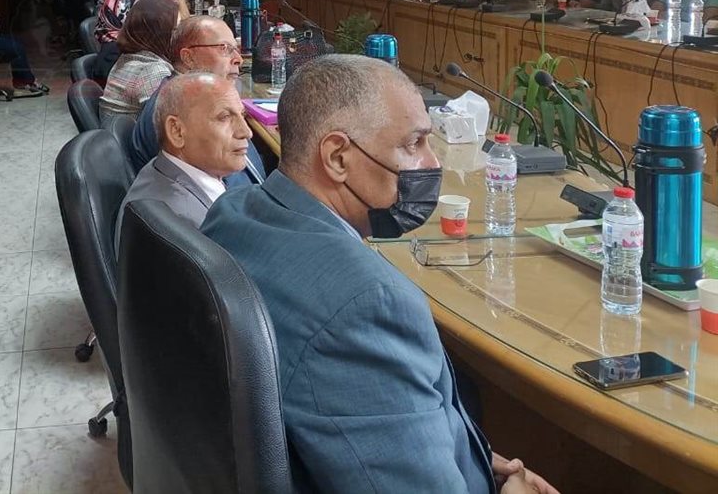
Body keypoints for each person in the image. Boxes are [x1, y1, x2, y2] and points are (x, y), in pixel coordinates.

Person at [202, 58, 558, 494]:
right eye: (414, 143)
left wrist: (471, 453)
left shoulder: (234, 211)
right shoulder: (366, 305)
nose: (431, 162)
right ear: (337, 157)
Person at [114, 72, 252, 255]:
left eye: (242, 115)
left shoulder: (163, 167)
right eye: (224, 117)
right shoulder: (187, 228)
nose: (246, 132)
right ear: (177, 131)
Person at [129, 16, 266, 187]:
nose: (238, 59)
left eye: (236, 49)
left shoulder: (190, 98)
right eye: (224, 48)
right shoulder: (173, 108)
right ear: (188, 58)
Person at [99, 0, 179, 128]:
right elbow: (169, 127)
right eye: (175, 29)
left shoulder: (131, 57)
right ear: (159, 33)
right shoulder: (153, 71)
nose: (179, 35)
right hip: (136, 138)